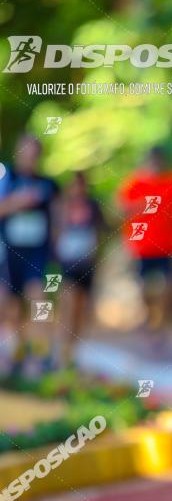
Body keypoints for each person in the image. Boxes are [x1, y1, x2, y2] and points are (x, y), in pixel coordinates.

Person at [0, 134, 59, 377]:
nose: (30, 158)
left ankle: (40, 353)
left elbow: (56, 218)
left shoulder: (48, 184)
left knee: (39, 297)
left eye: (35, 154)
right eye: (26, 152)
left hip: (37, 252)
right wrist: (19, 202)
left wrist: (57, 249)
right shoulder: (6, 177)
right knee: (11, 306)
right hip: (9, 252)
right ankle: (18, 352)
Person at [117, 146, 172, 348]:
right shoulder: (135, 182)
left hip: (167, 245)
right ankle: (148, 319)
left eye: (159, 160)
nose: (156, 164)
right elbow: (121, 209)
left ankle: (160, 327)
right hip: (142, 246)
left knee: (168, 287)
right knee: (144, 289)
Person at [54, 171, 105, 368]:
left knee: (82, 308)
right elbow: (56, 232)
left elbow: (100, 232)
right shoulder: (63, 206)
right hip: (67, 263)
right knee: (69, 303)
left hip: (87, 263)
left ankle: (74, 351)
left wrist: (97, 257)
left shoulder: (93, 206)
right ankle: (62, 351)